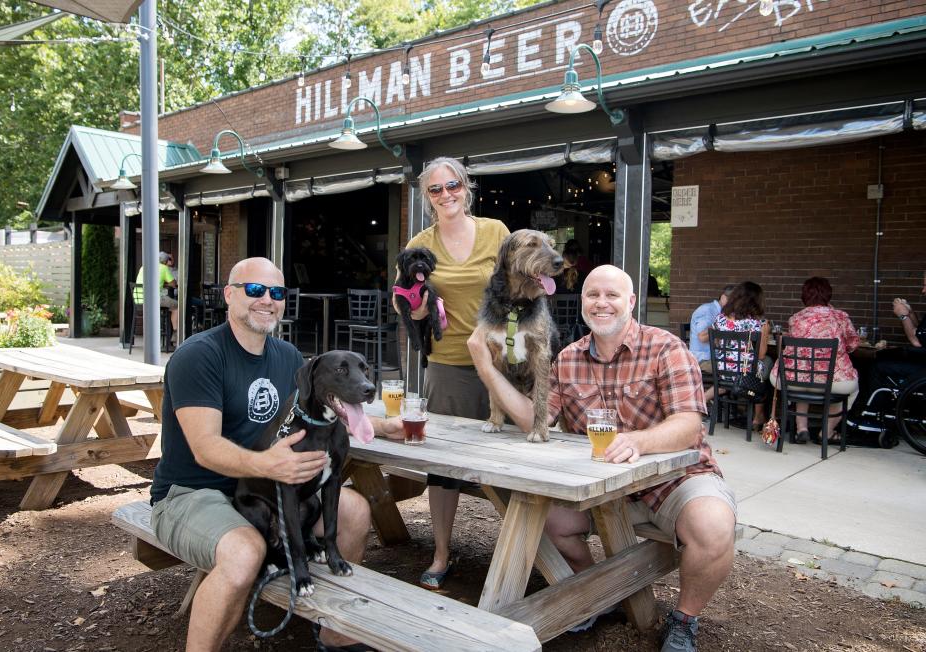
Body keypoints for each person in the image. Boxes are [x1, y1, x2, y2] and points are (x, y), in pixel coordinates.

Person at [467, 265, 735, 652]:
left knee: (713, 528)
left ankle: (684, 621)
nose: (601, 303)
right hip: (600, 488)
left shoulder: (666, 348)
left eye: (612, 295)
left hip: (672, 480)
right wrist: (487, 367)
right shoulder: (569, 359)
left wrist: (639, 441)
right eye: (592, 295)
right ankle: (598, 592)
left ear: (631, 302)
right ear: (582, 305)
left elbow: (690, 425)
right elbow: (533, 420)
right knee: (539, 519)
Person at [148, 257, 405, 652]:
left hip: (262, 488)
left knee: (355, 510)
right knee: (244, 553)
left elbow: (319, 406)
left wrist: (379, 425)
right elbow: (205, 448)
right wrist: (266, 463)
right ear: (230, 295)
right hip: (192, 493)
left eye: (277, 292)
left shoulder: (287, 357)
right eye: (254, 290)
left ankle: (335, 633)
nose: (267, 300)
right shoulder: (198, 355)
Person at [398, 156, 509, 590]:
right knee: (444, 466)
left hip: (499, 361)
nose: (446, 195)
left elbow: (515, 284)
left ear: (466, 188)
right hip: (447, 363)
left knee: (509, 458)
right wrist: (417, 307)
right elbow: (401, 295)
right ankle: (442, 552)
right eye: (436, 189)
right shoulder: (420, 241)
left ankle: (522, 549)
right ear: (427, 197)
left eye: (453, 186)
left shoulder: (496, 231)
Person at [770, 277, 859, 444]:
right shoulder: (840, 317)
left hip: (791, 379)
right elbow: (853, 344)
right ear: (828, 294)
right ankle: (827, 431)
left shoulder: (795, 318)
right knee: (851, 389)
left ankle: (802, 429)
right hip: (834, 381)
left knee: (805, 382)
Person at [711, 281, 772, 427]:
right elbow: (761, 354)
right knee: (769, 362)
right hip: (745, 374)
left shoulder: (720, 319)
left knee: (762, 366)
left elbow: (717, 344)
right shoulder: (756, 324)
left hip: (723, 371)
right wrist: (766, 332)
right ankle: (758, 416)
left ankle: (752, 412)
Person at [688, 285, 734, 370]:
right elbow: (702, 338)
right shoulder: (707, 310)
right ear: (723, 297)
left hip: (716, 357)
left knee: (740, 364)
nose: (735, 306)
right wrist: (723, 326)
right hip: (703, 359)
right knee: (736, 368)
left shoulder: (723, 313)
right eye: (733, 302)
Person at [135, 251, 179, 339]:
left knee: (165, 302)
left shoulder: (144, 266)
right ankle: (175, 333)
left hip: (139, 299)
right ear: (166, 262)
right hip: (153, 300)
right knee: (177, 306)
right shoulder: (163, 267)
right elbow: (174, 284)